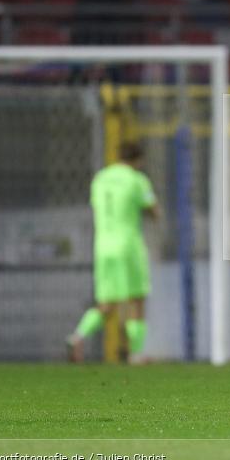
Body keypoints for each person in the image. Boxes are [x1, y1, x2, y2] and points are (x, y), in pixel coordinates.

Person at [67, 142, 159, 364]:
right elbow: (153, 211)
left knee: (107, 304)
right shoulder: (137, 180)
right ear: (139, 160)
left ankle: (77, 336)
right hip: (128, 245)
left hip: (103, 247)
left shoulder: (100, 179)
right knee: (136, 300)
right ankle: (135, 354)